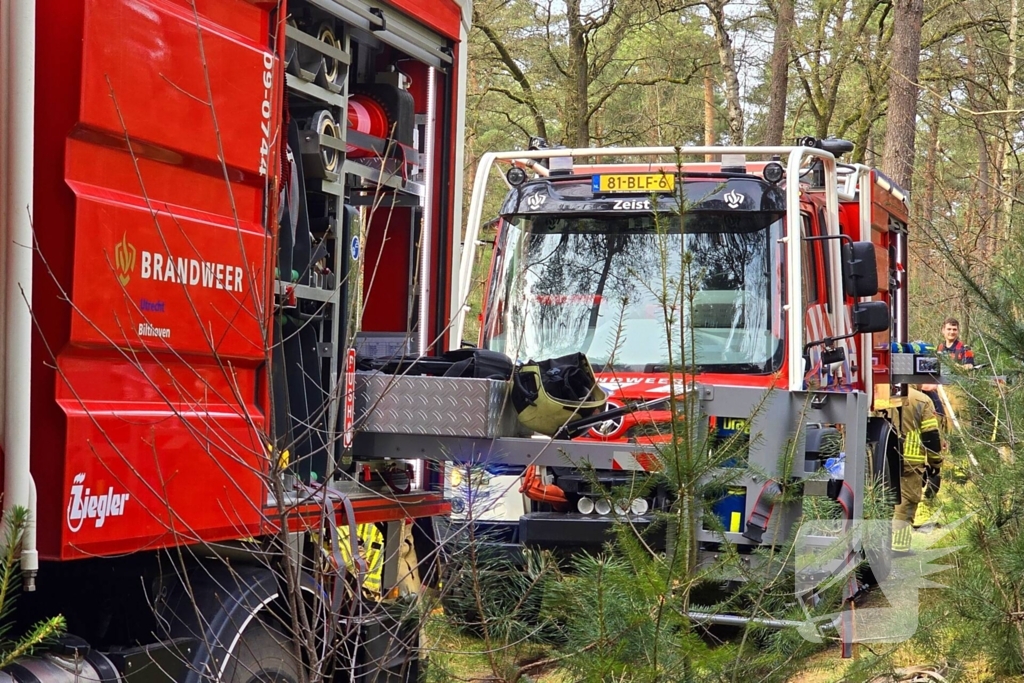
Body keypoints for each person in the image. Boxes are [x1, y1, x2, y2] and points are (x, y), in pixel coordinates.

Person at [892, 386, 944, 554]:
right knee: (905, 503)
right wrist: (936, 463)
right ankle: (899, 548)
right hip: (910, 461)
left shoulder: (879, 394)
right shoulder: (922, 400)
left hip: (879, 458)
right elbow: (931, 437)